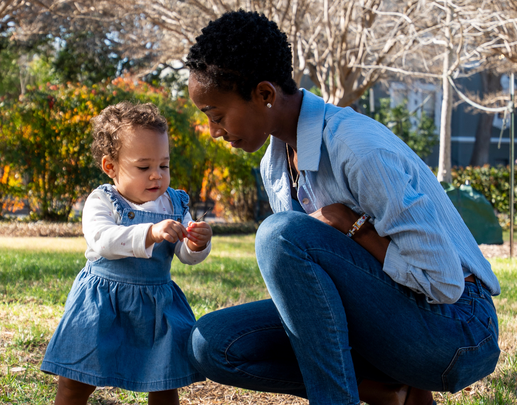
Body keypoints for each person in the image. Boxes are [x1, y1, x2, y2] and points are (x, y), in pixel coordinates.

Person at [184, 10, 501, 405]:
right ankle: (387, 393)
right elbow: (313, 292)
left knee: (280, 234)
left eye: (217, 116)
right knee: (212, 344)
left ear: (265, 95)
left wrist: (352, 225)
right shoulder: (274, 164)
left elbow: (443, 282)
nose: (214, 131)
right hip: (386, 322)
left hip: (458, 329)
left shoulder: (356, 149)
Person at [40, 101, 213, 405]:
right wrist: (150, 233)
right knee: (75, 381)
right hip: (102, 302)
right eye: (144, 167)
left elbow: (185, 254)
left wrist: (196, 243)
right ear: (111, 167)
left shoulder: (173, 204)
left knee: (164, 380)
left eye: (164, 166)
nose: (156, 176)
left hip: (156, 306)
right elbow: (102, 240)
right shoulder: (102, 201)